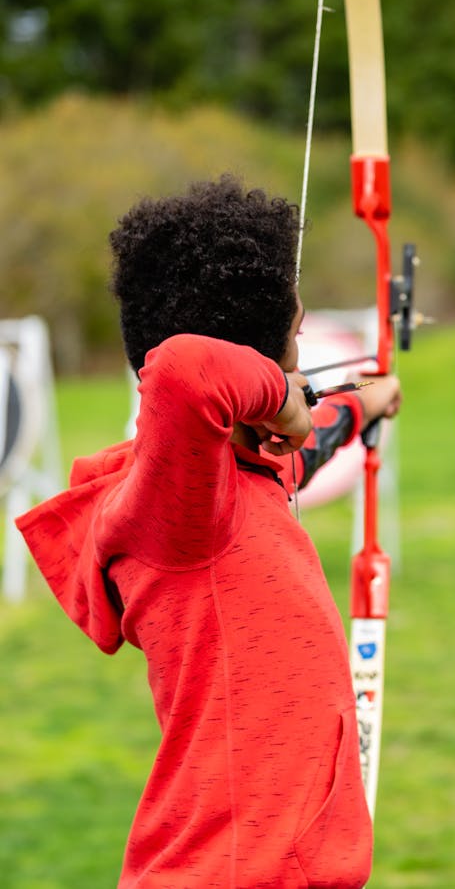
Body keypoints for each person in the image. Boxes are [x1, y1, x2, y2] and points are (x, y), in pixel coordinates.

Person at [16, 174, 401, 889]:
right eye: (295, 332)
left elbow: (298, 452)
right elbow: (186, 371)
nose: (303, 340)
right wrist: (284, 400)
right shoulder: (181, 510)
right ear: (259, 366)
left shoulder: (238, 476)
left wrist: (362, 405)